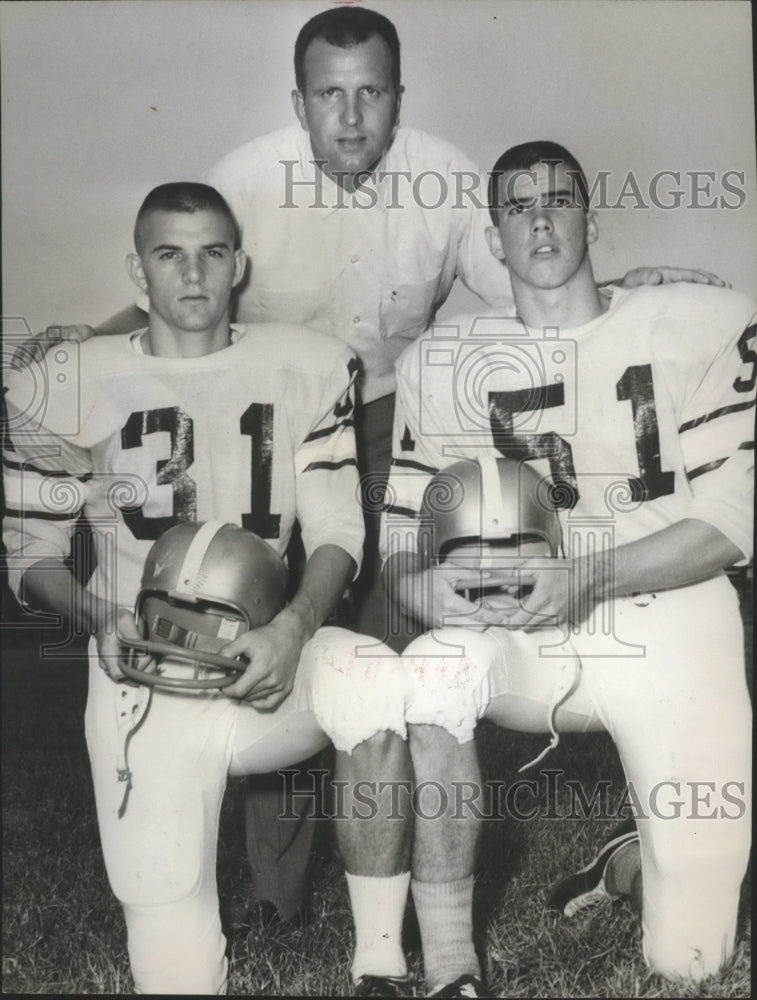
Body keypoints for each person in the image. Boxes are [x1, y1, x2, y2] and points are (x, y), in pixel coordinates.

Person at [18, 4, 729, 935]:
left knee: (385, 638)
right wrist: (94, 334)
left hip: (392, 411)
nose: (350, 119)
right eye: (329, 96)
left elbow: (535, 269)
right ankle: (277, 891)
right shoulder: (246, 180)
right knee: (260, 615)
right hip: (281, 422)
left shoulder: (443, 176)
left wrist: (640, 292)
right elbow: (184, 285)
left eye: (370, 95)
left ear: (397, 98)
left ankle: (395, 889)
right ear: (299, 101)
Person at [3, 182, 416, 996]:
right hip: (142, 674)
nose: (192, 274)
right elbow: (30, 555)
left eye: (212, 252)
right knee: (176, 976)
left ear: (239, 266)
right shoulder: (68, 379)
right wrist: (103, 618)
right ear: (137, 269)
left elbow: (339, 531)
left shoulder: (306, 361)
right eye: (169, 254)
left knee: (373, 677)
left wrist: (295, 628)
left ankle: (381, 965)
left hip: (270, 655)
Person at [380, 142, 753, 995]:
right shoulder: (442, 360)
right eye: (519, 206)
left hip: (670, 605)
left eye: (558, 200)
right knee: (432, 669)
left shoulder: (696, 319)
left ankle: (626, 863)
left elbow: (734, 520)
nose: (541, 220)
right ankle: (448, 966)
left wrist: (587, 576)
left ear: (593, 217)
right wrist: (421, 588)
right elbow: (401, 534)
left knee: (691, 963)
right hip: (522, 624)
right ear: (494, 235)